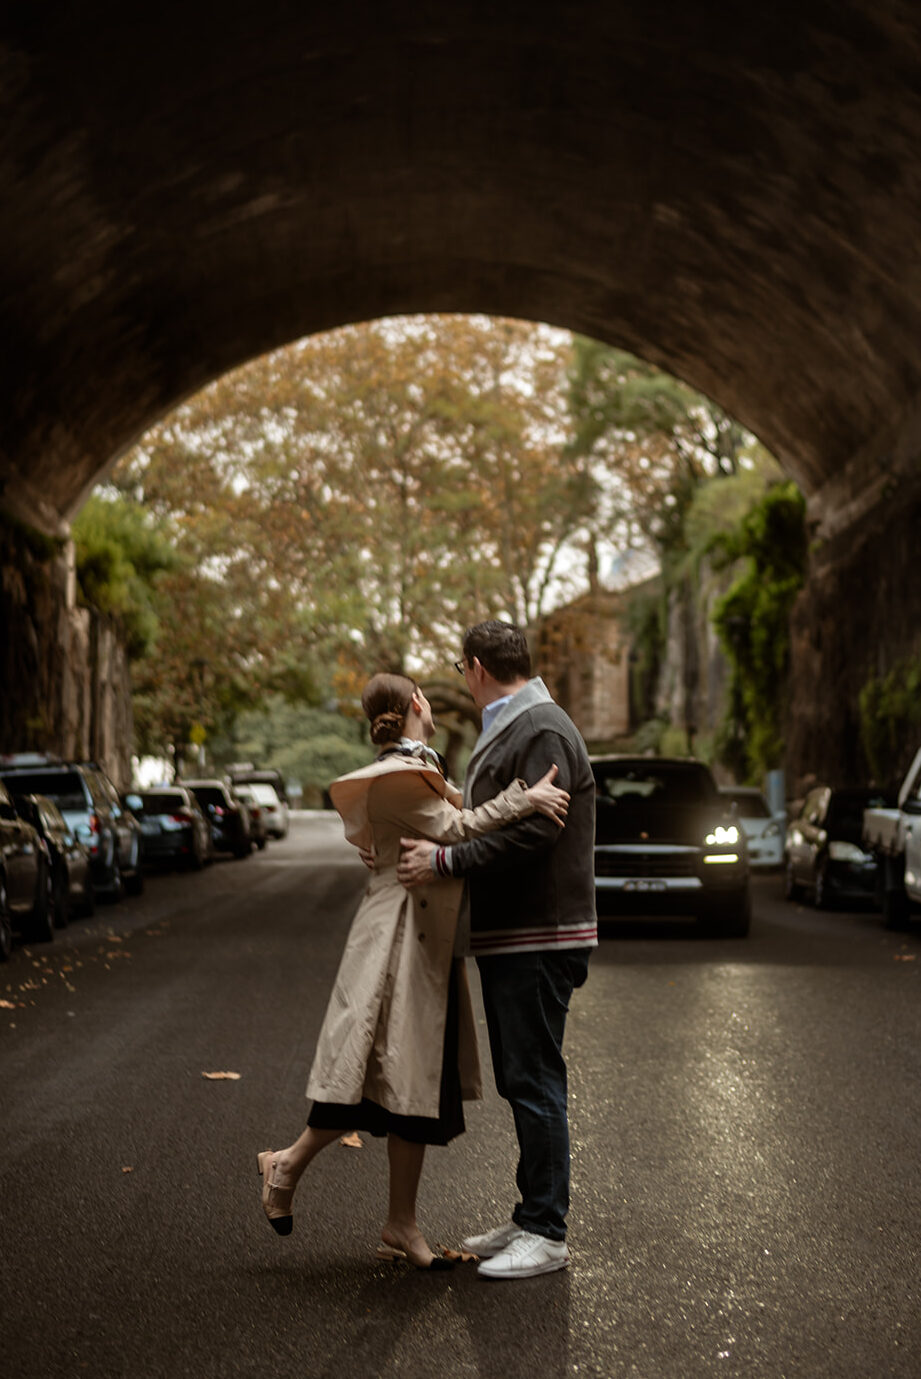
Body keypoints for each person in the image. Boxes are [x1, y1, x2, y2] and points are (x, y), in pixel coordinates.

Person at [257, 670, 570, 1271]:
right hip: (393, 946)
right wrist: (524, 799)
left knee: (414, 1083)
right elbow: (455, 827)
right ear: (418, 704)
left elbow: (454, 812)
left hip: (424, 939)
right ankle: (286, 1164)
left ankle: (400, 1222)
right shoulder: (396, 775)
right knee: (372, 1071)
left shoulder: (417, 766)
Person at [397, 620, 597, 1280]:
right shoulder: (517, 724)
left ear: (477, 667)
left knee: (534, 1077)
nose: (464, 679)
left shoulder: (539, 727)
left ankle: (547, 1232)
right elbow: (491, 814)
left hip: (540, 933)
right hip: (517, 933)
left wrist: (445, 861)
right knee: (522, 1076)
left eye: (462, 669)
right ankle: (531, 1213)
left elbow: (537, 830)